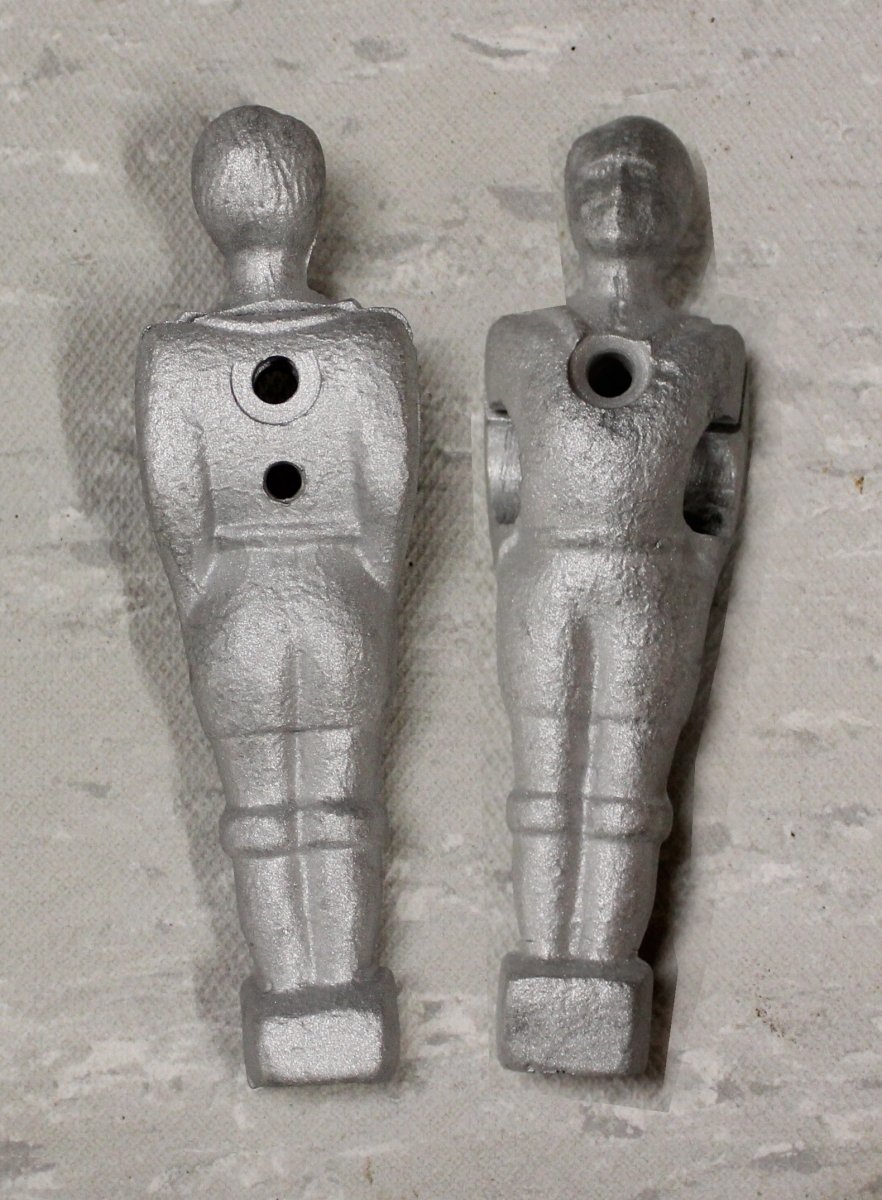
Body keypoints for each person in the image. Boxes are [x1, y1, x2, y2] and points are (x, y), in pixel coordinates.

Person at [136, 106, 419, 1085]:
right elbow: (387, 505)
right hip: (343, 602)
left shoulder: (175, 357)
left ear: (206, 210)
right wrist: (360, 600)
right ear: (314, 208)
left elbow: (179, 523)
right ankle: (345, 986)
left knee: (260, 815)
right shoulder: (372, 343)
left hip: (234, 610)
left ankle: (290, 993)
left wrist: (213, 609)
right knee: (342, 805)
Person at [486, 116, 747, 1075]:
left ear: (680, 213)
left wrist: (687, 579)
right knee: (544, 779)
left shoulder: (707, 352)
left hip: (653, 587)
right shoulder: (519, 343)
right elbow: (500, 487)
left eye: (645, 178)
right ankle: (543, 966)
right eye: (597, 174)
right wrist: (524, 565)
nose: (619, 193)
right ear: (566, 203)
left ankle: (599, 973)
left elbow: (717, 494)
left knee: (628, 791)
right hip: (546, 580)